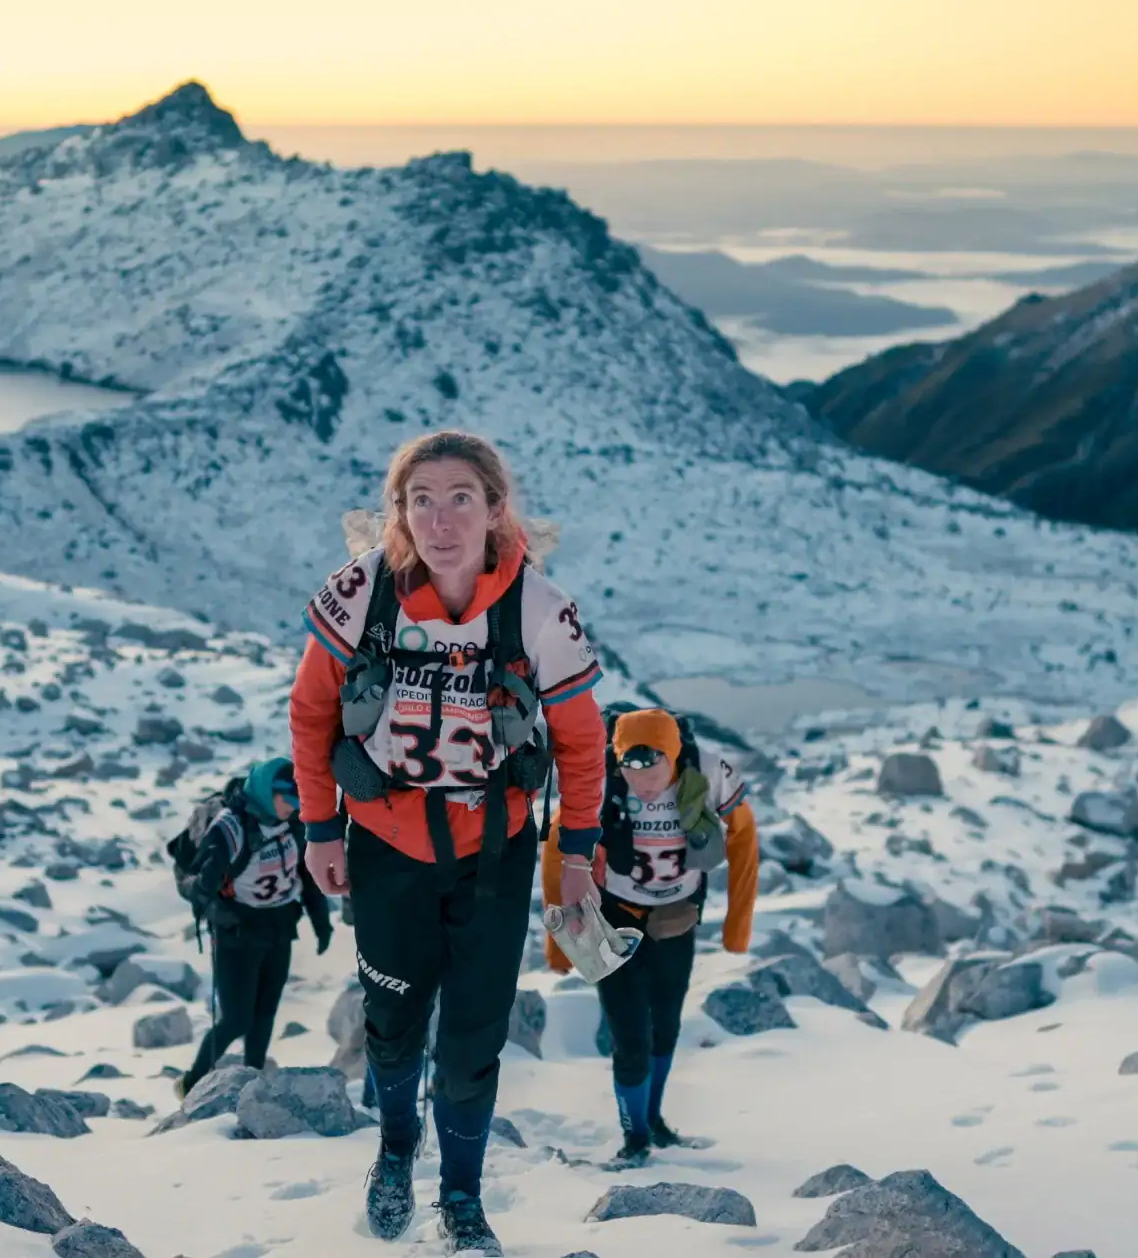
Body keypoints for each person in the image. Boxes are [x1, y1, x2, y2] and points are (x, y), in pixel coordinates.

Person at [291, 429, 607, 1257]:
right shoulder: (361, 593)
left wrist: (574, 858)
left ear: (495, 509)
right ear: (397, 512)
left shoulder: (538, 608)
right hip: (387, 847)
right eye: (419, 499)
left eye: (460, 497)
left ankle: (461, 1200)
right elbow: (313, 712)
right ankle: (396, 1151)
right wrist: (321, 825)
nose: (440, 519)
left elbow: (581, 742)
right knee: (392, 1024)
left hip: (493, 856)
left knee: (472, 1039)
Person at [543, 705, 758, 1168]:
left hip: (675, 917)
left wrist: (736, 925)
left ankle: (654, 1120)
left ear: (674, 753)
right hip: (612, 917)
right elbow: (559, 843)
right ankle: (635, 1137)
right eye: (631, 767)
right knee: (629, 1035)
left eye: (653, 765)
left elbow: (744, 834)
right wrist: (557, 937)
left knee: (666, 1025)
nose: (642, 779)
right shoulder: (599, 776)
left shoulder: (706, 770)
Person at [176, 757, 332, 1096]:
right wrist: (206, 890)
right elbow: (201, 879)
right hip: (237, 933)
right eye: (287, 800)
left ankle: (253, 1086)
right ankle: (191, 1084)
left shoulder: (292, 826)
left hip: (279, 926)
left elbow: (306, 874)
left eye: (297, 801)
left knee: (265, 1016)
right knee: (236, 1019)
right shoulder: (230, 827)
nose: (292, 808)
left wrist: (322, 923)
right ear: (267, 793)